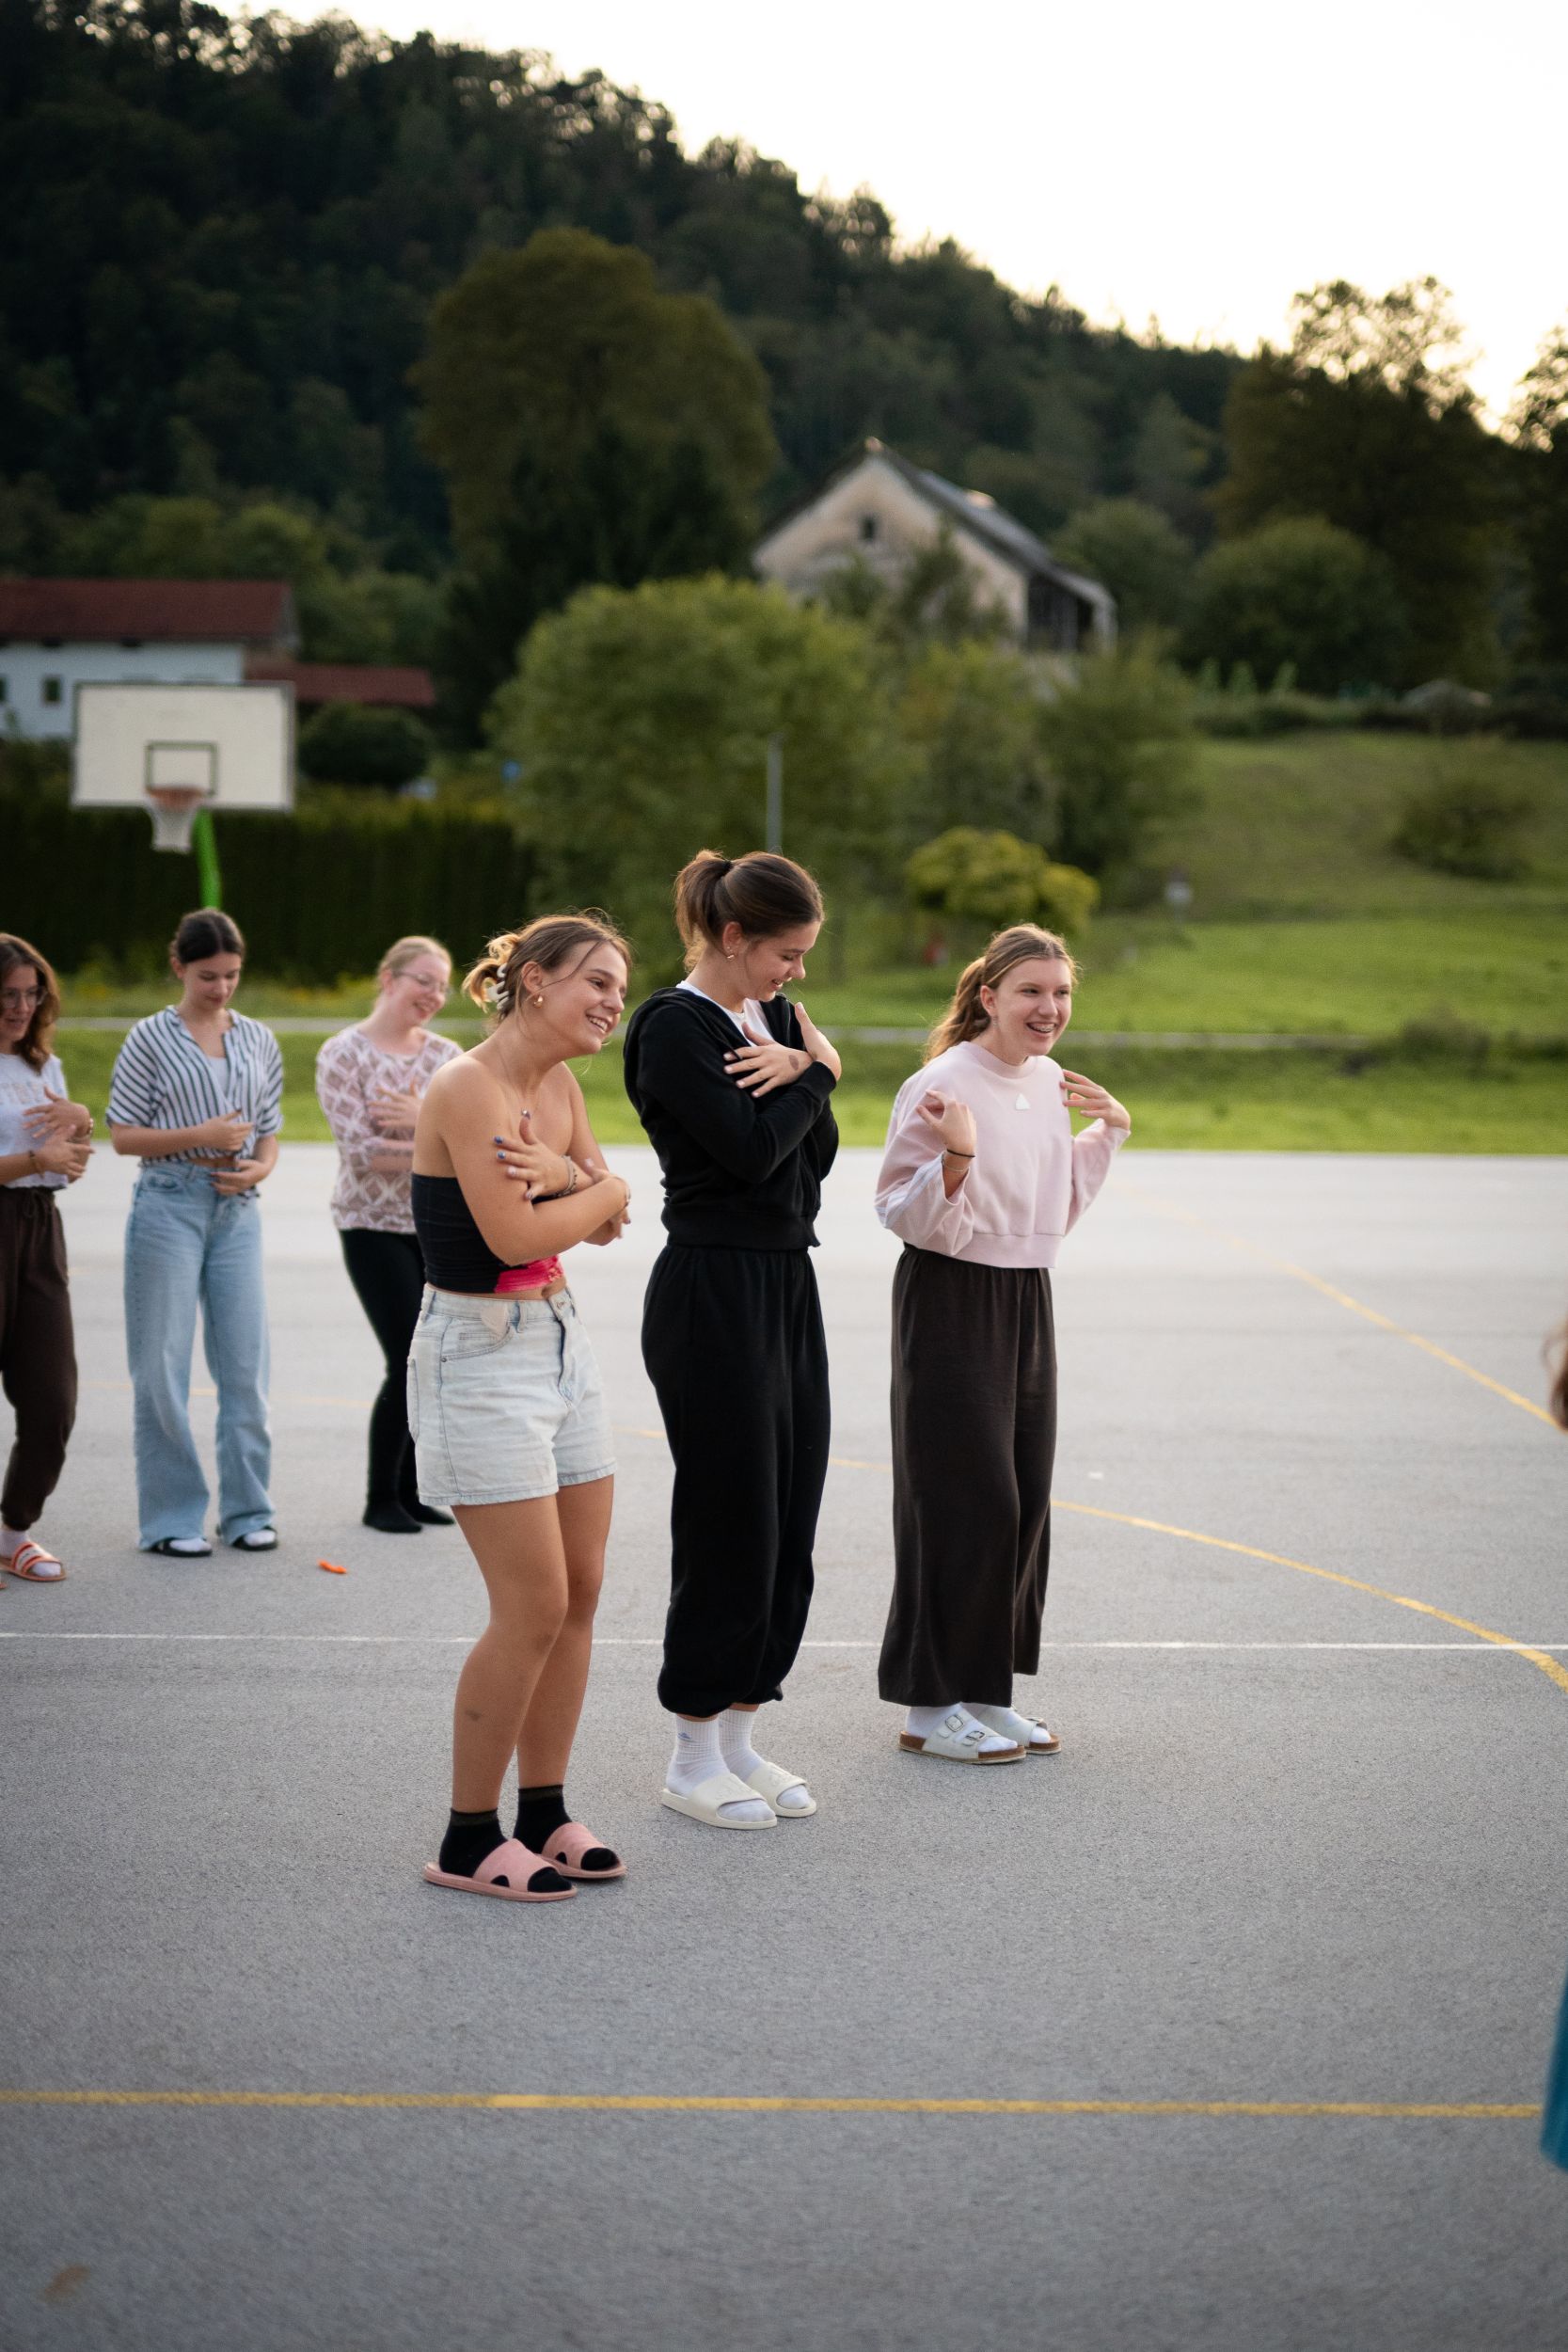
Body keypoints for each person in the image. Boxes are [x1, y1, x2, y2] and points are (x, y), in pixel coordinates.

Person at [410, 915, 634, 1903]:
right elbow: (514, 1236)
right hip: (477, 1353)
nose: (612, 1001)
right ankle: (468, 1837)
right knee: (532, 1604)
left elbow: (610, 1224)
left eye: (619, 986)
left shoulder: (560, 1087)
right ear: (535, 981)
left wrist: (578, 1182)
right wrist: (599, 1182)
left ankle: (543, 1812)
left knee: (580, 1591)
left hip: (560, 1342)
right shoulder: (467, 1086)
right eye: (596, 981)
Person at [874, 923, 1130, 1763]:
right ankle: (927, 1705)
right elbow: (898, 1208)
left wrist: (1108, 1132)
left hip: (1025, 1291)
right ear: (988, 996)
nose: (1048, 1008)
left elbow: (1047, 1208)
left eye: (1060, 993)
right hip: (951, 1294)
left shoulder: (1050, 1080)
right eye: (1030, 991)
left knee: (1020, 1493)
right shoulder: (942, 1082)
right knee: (960, 1496)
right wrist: (955, 1153)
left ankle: (985, 1692)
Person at [623, 850, 840, 1831]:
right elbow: (752, 1153)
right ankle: (690, 1752)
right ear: (732, 935)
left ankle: (741, 1734)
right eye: (785, 953)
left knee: (789, 1514)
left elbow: (813, 1155)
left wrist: (799, 1072)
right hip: (711, 1285)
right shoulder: (672, 1027)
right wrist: (819, 1073)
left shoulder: (777, 1020)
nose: (796, 972)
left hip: (787, 1280)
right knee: (729, 1516)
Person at [107, 911, 284, 1557]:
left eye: (232, 975)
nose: (221, 988)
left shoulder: (258, 1038)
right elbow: (122, 1135)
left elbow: (269, 1129)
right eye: (208, 976)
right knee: (162, 1366)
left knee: (246, 1366)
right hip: (168, 1204)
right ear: (178, 967)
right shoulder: (149, 1037)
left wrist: (261, 1167)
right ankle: (171, 1519)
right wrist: (200, 1136)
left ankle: (247, 1511)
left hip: (238, 1212)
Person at [316, 935, 464, 1533]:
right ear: (388, 978)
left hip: (433, 1225)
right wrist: (438, 1134)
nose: (433, 995)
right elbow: (361, 1153)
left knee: (430, 1359)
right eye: (423, 980)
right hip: (371, 1226)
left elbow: (480, 1137)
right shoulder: (342, 1053)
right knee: (405, 1354)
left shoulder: (447, 1056)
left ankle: (410, 1490)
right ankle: (380, 1498)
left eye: (441, 986)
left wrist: (420, 1122)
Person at [0, 934, 94, 1583]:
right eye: (8, 994)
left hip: (38, 1228)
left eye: (32, 994)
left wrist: (80, 1128)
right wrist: (37, 1157)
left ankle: (14, 1532)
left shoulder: (44, 1066)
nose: (21, 1007)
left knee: (52, 1397)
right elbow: (41, 1157)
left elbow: (68, 1164)